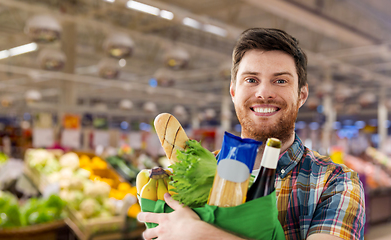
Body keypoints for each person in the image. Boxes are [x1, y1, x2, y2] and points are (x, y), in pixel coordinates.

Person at [137, 28, 366, 240]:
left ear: (302, 95)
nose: (264, 92)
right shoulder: (192, 175)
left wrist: (199, 232)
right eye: (251, 80)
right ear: (234, 92)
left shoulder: (335, 182)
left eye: (280, 80)